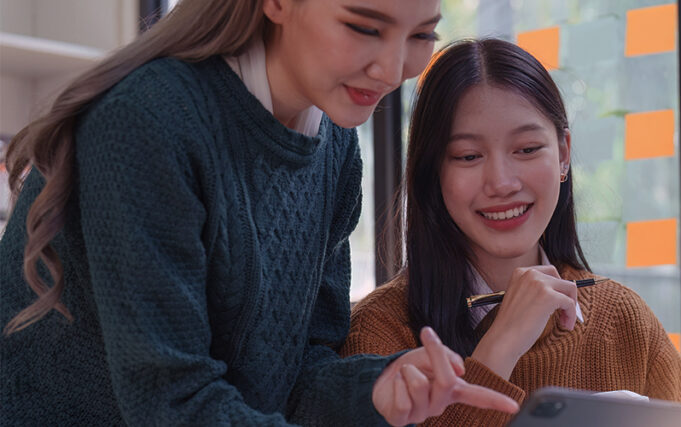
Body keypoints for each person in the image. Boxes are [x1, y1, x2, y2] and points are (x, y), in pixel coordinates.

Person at [0, 1, 517, 425]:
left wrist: (379, 387)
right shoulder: (148, 122)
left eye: (422, 36)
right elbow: (172, 402)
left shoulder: (335, 142)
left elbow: (297, 374)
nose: (392, 69)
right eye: (363, 27)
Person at [341, 38, 681, 426]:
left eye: (527, 149)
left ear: (563, 154)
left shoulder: (625, 321)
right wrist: (500, 347)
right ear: (433, 172)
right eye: (468, 156)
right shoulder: (381, 331)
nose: (501, 182)